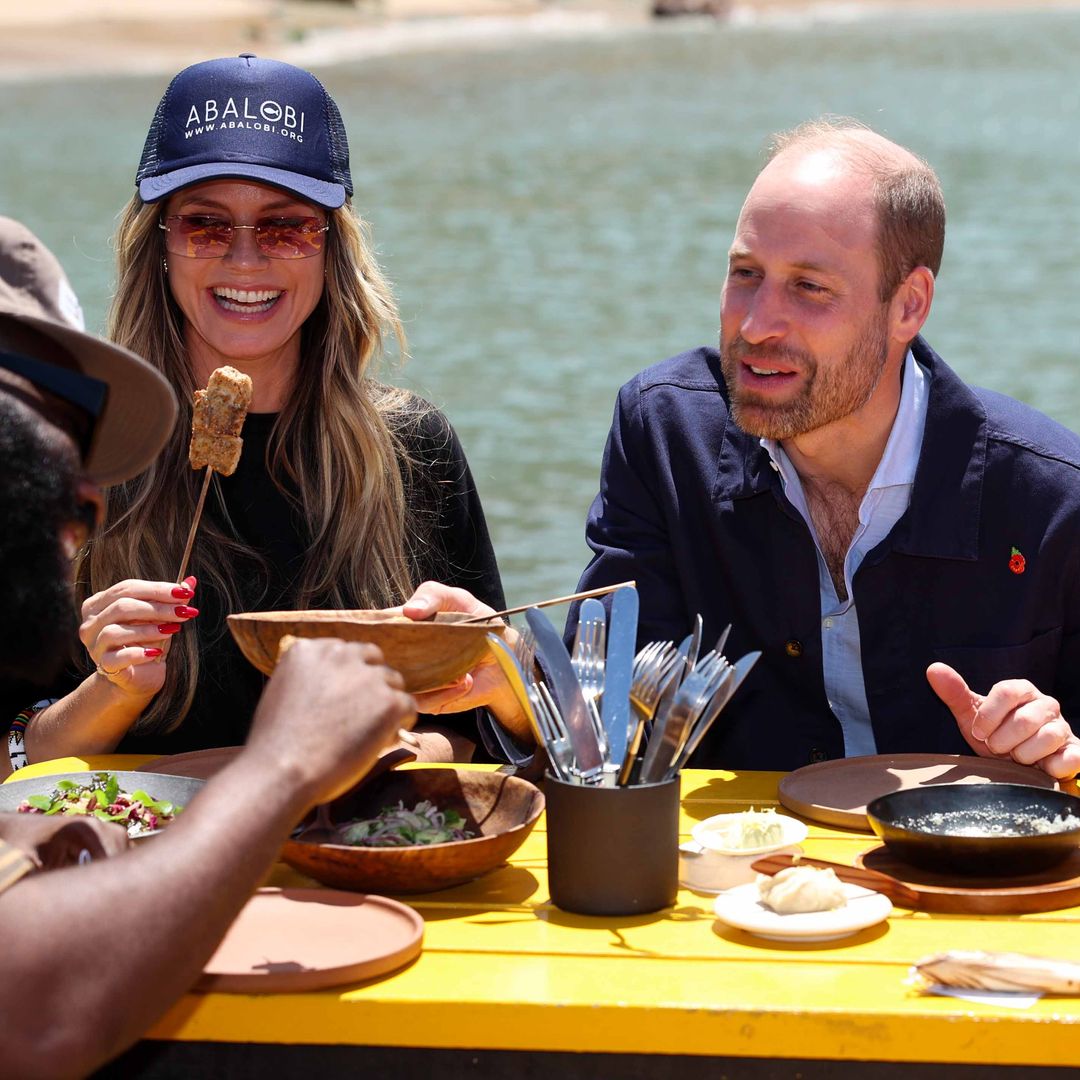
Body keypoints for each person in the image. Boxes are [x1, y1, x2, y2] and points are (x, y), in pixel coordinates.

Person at [406, 117, 1080, 780]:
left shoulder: (1053, 496)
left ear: (909, 306)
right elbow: (608, 732)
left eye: (809, 288)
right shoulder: (662, 435)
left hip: (965, 883)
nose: (755, 325)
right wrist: (516, 674)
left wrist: (1057, 745)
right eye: (745, 274)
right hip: (737, 884)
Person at [0, 216, 416, 1077]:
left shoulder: (406, 447)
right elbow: (37, 1015)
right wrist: (284, 765)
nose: (88, 506)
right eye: (47, 464)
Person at [13, 54, 504, 771]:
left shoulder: (410, 445)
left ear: (331, 250)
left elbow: (485, 727)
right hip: (134, 865)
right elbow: (16, 761)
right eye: (206, 226)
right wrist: (113, 691)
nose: (245, 261)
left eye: (285, 229)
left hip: (350, 862)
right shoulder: (72, 459)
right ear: (160, 246)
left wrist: (379, 754)